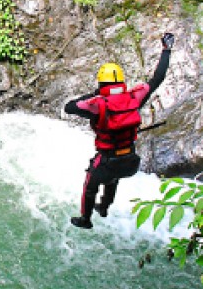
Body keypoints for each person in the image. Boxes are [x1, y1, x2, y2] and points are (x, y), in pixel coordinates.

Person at [65, 32, 175, 229]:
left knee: (91, 184)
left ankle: (85, 219)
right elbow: (158, 78)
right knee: (112, 178)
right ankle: (104, 207)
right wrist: (166, 50)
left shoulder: (97, 104)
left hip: (106, 160)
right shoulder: (135, 98)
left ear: (101, 83)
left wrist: (95, 95)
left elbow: (70, 107)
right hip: (130, 162)